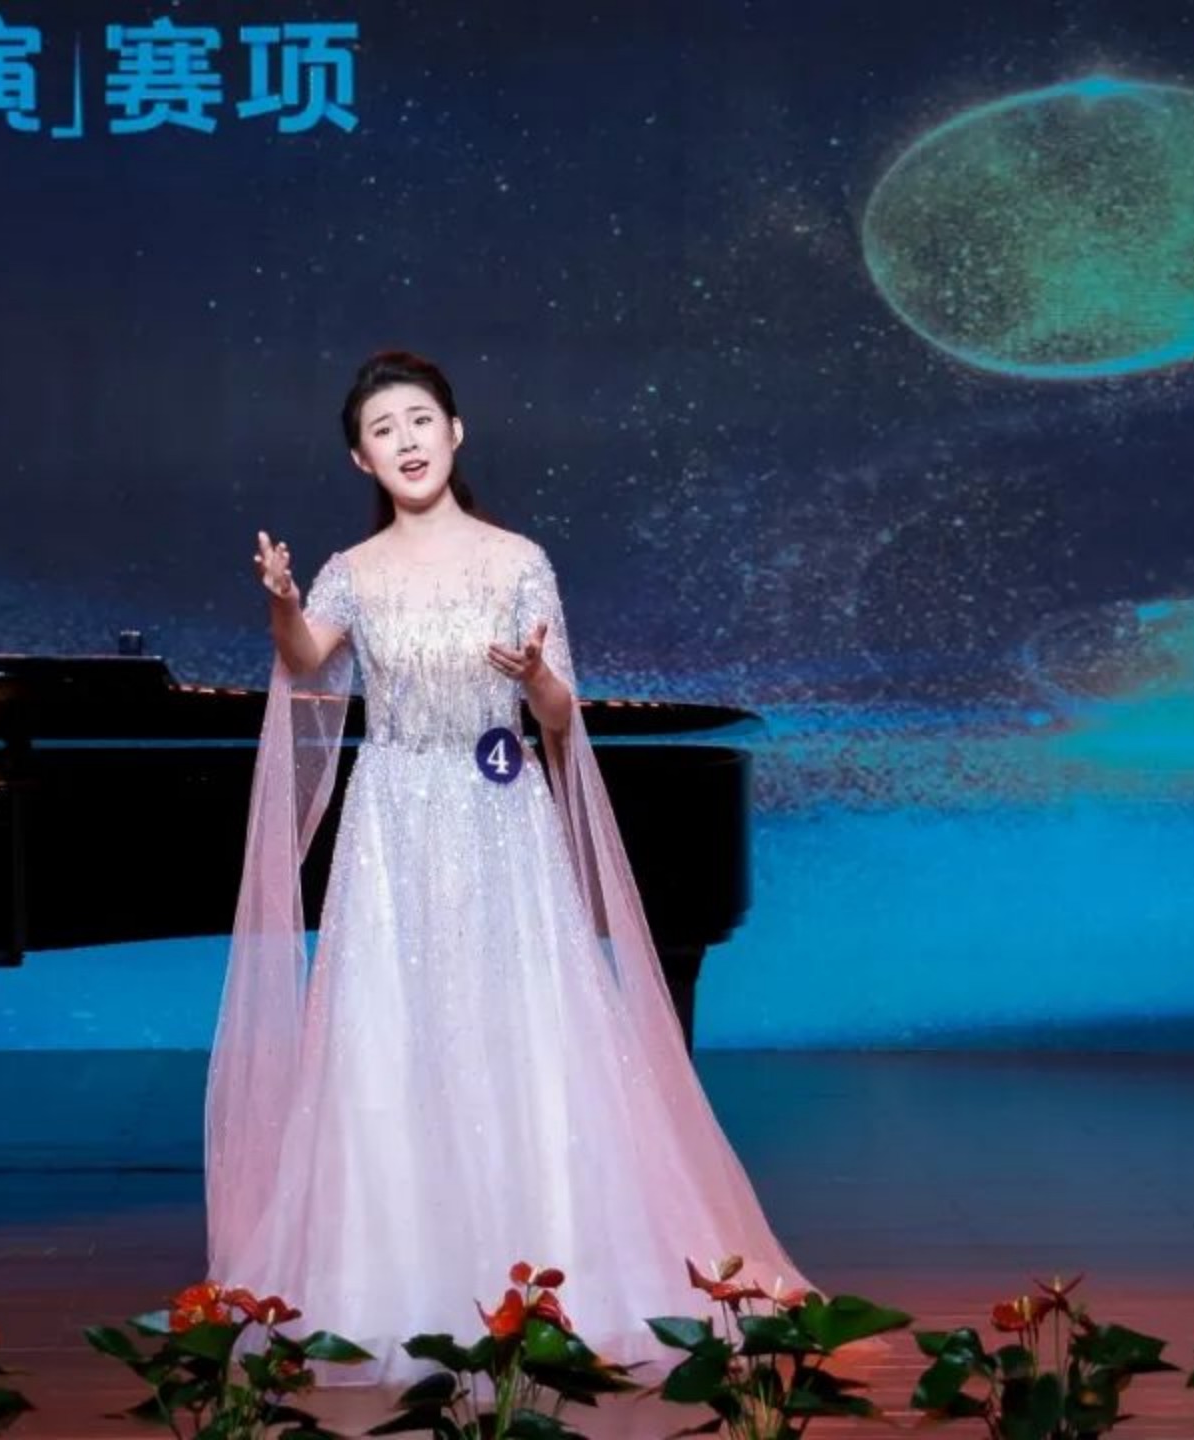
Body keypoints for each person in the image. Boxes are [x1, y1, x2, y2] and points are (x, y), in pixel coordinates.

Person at [206, 352, 807, 1380]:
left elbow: (563, 713)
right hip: (393, 824)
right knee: (387, 1036)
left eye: (420, 420)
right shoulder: (354, 570)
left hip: (498, 821)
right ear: (360, 458)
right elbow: (307, 661)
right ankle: (399, 1282)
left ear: (456, 432)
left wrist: (534, 679)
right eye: (383, 429)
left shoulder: (518, 560)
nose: (406, 440)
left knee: (523, 1030)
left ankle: (551, 1272)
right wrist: (282, 602)